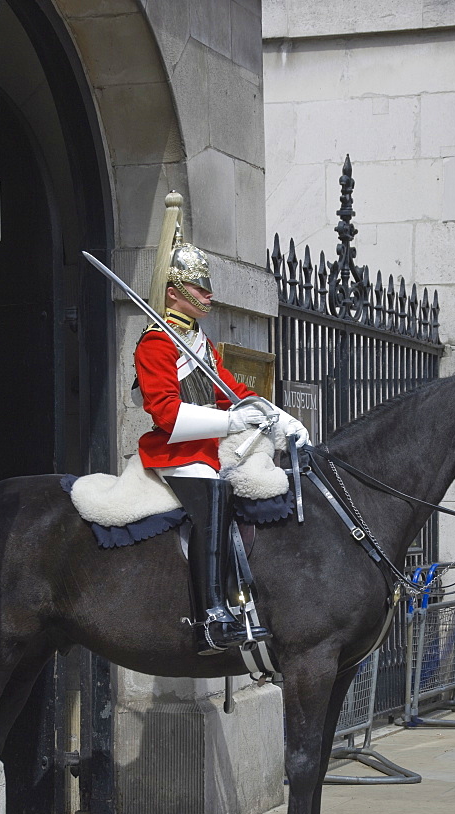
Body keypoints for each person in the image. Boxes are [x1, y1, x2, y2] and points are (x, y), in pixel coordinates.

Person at [134, 192, 309, 655]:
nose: (208, 294)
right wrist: (232, 422)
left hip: (202, 455)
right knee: (213, 496)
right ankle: (211, 616)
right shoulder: (156, 343)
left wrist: (279, 420)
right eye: (199, 287)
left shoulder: (200, 343)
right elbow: (166, 414)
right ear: (174, 292)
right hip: (172, 454)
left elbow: (234, 390)